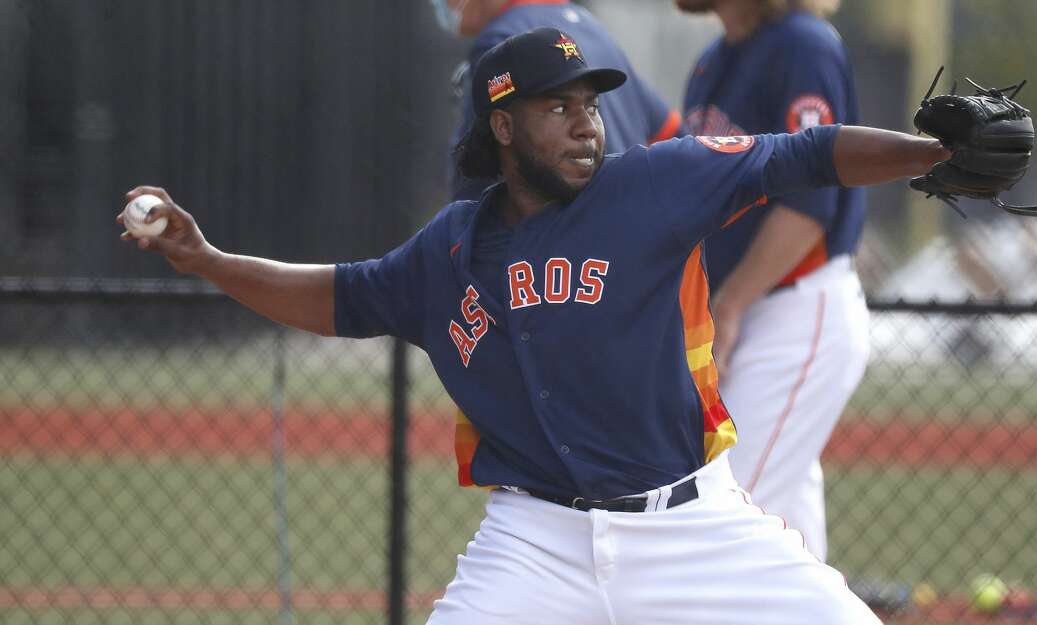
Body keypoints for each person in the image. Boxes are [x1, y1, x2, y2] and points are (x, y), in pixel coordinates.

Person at [120, 27, 951, 625]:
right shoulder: (450, 250)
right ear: (504, 126)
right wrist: (210, 260)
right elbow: (339, 296)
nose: (586, 120)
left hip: (691, 525)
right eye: (558, 106)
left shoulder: (656, 183)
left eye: (590, 102)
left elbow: (799, 156)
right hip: (535, 538)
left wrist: (932, 155)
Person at [674, 0, 864, 561]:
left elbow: (812, 201)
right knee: (786, 551)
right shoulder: (714, 59)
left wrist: (728, 308)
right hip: (749, 310)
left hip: (794, 310)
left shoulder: (803, 45)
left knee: (717, 526)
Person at [433, 0, 683, 201]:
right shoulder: (589, 25)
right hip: (632, 231)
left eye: (592, 106)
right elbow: (673, 134)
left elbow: (474, 174)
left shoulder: (501, 41)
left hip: (567, 247)